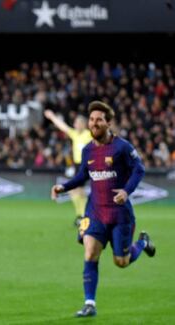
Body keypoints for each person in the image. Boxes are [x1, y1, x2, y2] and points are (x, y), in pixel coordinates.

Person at [50, 101, 156, 318]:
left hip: (120, 215)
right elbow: (82, 176)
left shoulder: (122, 147)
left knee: (121, 262)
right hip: (96, 212)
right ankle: (89, 303)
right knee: (90, 252)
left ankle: (142, 241)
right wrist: (63, 187)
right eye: (91, 119)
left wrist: (126, 191)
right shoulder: (88, 149)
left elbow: (139, 170)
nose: (94, 123)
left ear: (109, 122)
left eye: (99, 119)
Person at [44, 109, 92, 227]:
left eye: (77, 123)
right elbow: (63, 126)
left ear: (83, 124)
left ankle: (83, 216)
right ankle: (82, 216)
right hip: (77, 165)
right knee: (75, 191)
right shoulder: (75, 134)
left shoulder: (89, 135)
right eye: (75, 123)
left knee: (76, 189)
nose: (75, 125)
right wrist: (52, 116)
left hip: (86, 165)